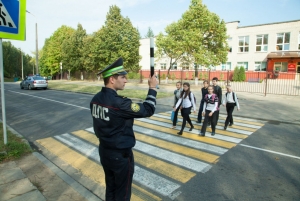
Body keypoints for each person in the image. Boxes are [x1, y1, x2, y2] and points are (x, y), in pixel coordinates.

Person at [90, 57, 158, 201]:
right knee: (122, 193)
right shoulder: (120, 103)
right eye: (123, 77)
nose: (126, 80)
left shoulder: (95, 99)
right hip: (120, 155)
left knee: (111, 188)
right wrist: (152, 88)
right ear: (112, 80)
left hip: (104, 151)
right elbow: (148, 109)